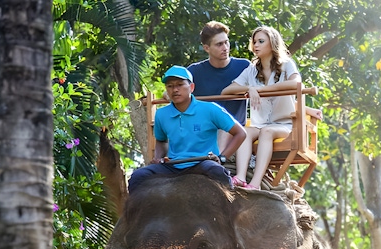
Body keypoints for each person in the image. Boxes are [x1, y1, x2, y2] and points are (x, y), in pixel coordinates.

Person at [128, 65, 246, 193]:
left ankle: (229, 210)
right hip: (173, 166)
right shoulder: (161, 114)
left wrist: (222, 157)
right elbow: (161, 141)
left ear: (192, 87)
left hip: (203, 163)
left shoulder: (210, 109)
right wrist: (158, 158)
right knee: (137, 177)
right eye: (170, 86)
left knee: (218, 173)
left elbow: (240, 133)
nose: (175, 90)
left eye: (180, 84)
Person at [222, 26, 305, 190]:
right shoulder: (251, 69)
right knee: (244, 131)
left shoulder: (287, 64)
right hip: (259, 124)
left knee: (267, 132)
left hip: (283, 124)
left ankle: (255, 183)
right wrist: (248, 89)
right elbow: (227, 90)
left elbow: (297, 83)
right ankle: (240, 176)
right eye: (254, 42)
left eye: (261, 41)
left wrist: (261, 90)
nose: (256, 45)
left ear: (272, 43)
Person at [187, 21, 251, 154]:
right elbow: (171, 92)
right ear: (206, 48)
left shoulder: (244, 66)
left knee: (224, 126)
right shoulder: (194, 71)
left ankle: (217, 165)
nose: (225, 47)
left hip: (234, 129)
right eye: (219, 44)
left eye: (226, 42)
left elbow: (266, 88)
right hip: (202, 128)